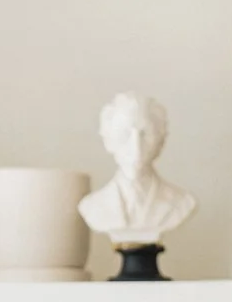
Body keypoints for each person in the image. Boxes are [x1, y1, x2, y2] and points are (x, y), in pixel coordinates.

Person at [78, 92, 196, 248]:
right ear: (108, 140)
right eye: (125, 134)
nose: (136, 147)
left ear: (161, 140)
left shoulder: (181, 202)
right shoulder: (93, 206)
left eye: (145, 133)